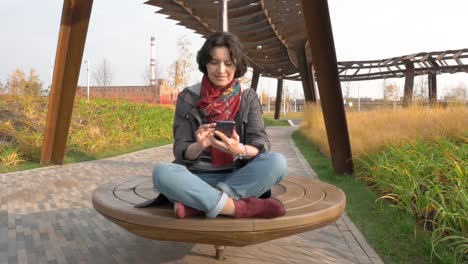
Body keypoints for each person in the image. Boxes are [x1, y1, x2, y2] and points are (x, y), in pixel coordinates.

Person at [152, 32, 287, 219]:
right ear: (205, 64)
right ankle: (239, 207)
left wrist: (239, 149)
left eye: (228, 63)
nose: (221, 70)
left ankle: (200, 205)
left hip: (239, 176)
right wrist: (198, 146)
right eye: (214, 62)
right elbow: (180, 149)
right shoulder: (188, 97)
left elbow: (261, 142)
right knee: (162, 173)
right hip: (195, 177)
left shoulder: (248, 97)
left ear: (237, 65)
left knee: (277, 162)